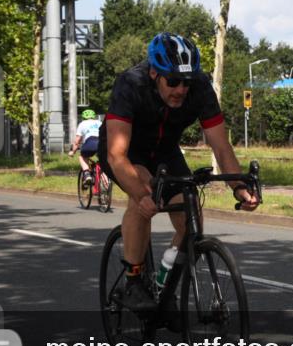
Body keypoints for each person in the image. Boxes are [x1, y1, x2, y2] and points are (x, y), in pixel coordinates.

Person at [99, 32, 259, 312]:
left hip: (165, 151)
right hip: (125, 150)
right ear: (154, 74)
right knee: (145, 191)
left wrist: (239, 187)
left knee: (191, 217)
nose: (181, 90)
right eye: (172, 81)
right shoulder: (131, 84)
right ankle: (133, 281)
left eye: (186, 82)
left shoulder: (200, 87)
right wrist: (140, 194)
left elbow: (221, 146)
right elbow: (117, 155)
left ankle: (163, 284)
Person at [68, 109, 102, 177]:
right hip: (102, 143)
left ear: (83, 117)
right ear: (94, 116)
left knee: (82, 157)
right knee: (102, 160)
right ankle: (106, 180)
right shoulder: (99, 122)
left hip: (90, 142)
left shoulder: (82, 124)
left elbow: (77, 141)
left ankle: (87, 174)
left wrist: (73, 151)